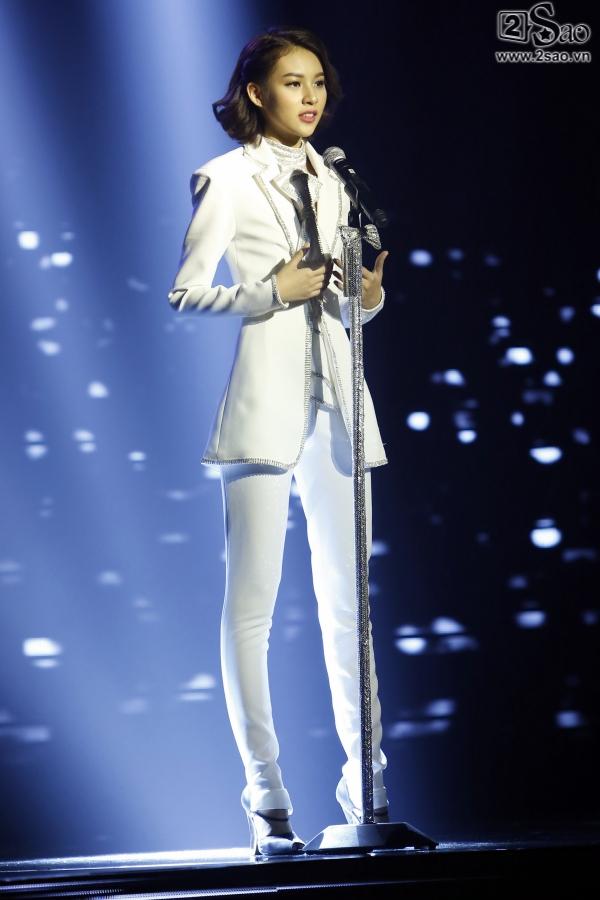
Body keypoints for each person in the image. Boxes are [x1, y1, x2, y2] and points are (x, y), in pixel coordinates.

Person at [167, 26, 391, 857]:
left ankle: (368, 792)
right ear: (255, 92)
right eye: (293, 82)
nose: (311, 96)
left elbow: (341, 305)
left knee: (351, 606)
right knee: (251, 610)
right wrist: (269, 290)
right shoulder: (224, 179)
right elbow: (186, 293)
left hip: (338, 405)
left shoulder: (335, 181)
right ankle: (267, 800)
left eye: (319, 82)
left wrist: (366, 297)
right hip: (263, 410)